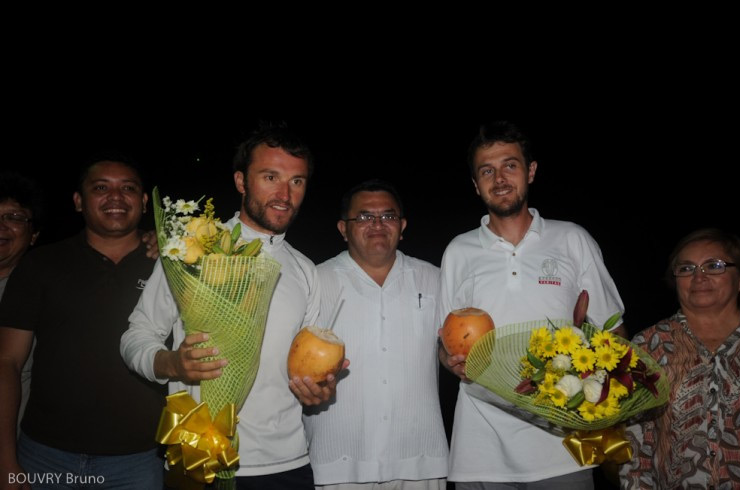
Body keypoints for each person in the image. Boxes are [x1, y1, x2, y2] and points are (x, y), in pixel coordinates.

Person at [121, 123, 333, 490]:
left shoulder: (306, 270)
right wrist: (172, 364)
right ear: (240, 181)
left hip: (287, 460)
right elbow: (136, 336)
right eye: (270, 176)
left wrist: (320, 388)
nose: (285, 193)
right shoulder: (191, 249)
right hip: (196, 453)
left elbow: (305, 365)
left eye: (297, 181)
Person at [438, 120, 626, 490]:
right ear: (476, 185)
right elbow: (444, 344)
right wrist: (454, 364)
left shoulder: (572, 239)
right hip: (481, 448)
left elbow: (614, 335)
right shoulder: (458, 251)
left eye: (510, 165)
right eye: (487, 171)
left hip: (561, 447)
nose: (500, 178)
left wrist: (607, 409)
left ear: (531, 171)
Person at [0, 157, 166, 489]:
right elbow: (7, 363)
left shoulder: (170, 267)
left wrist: (168, 246)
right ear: (79, 201)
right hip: (44, 456)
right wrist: (6, 461)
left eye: (128, 188)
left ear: (145, 202)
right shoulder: (40, 265)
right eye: (101, 187)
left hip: (138, 461)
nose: (116, 197)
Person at [304, 179, 449, 490]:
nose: (378, 225)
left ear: (403, 225)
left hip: (420, 460)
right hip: (338, 463)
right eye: (365, 217)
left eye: (388, 216)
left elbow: (453, 350)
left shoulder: (435, 278)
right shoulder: (315, 281)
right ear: (343, 228)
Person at [620, 228, 740, 489]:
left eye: (713, 266)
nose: (698, 277)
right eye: (686, 268)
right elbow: (634, 444)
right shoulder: (649, 346)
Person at [0, 172, 43, 436]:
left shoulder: (46, 291)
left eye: (14, 217)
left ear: (33, 235)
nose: (1, 225)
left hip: (19, 452)